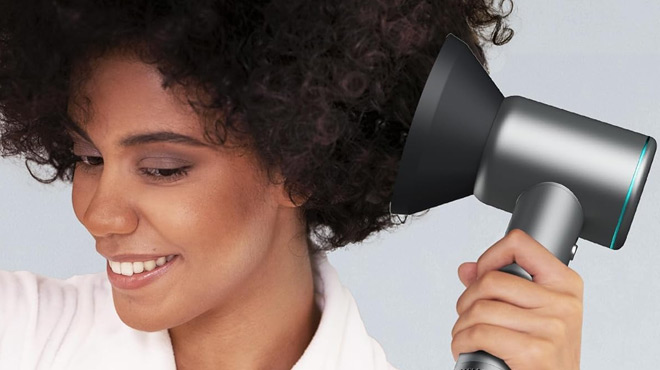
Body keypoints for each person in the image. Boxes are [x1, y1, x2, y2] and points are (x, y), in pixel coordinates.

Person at [0, 0, 583, 369]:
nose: (100, 215)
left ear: (299, 165)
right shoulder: (21, 333)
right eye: (88, 157)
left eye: (161, 168)